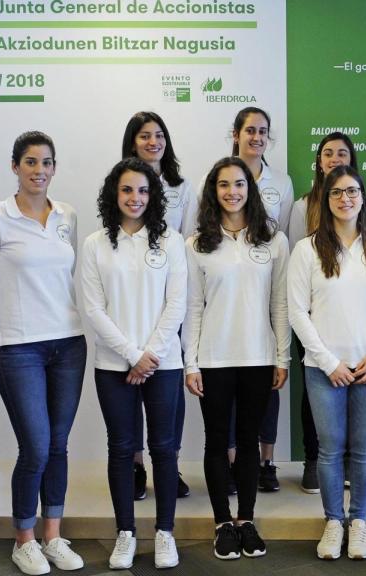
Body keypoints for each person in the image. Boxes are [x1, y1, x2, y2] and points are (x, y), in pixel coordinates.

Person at [0, 131, 87, 575]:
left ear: (54, 167)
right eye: (31, 162)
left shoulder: (67, 215)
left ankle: (52, 535)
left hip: (69, 344)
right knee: (35, 446)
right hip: (19, 350)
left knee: (58, 445)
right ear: (15, 166)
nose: (40, 170)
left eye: (47, 162)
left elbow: (69, 277)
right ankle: (24, 540)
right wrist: (3, 329)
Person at [288, 165, 366, 561]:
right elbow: (297, 312)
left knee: (364, 450)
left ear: (363, 198)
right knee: (329, 450)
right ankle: (333, 521)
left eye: (352, 191)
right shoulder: (306, 250)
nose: (345, 198)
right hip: (324, 369)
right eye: (336, 192)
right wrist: (328, 362)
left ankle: (359, 522)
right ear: (326, 199)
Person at [80, 158, 186, 569]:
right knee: (122, 449)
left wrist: (149, 355)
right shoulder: (95, 245)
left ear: (153, 195)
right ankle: (125, 532)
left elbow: (176, 304)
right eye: (127, 190)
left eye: (143, 190)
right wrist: (132, 355)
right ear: (114, 194)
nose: (135, 198)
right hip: (114, 365)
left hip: (163, 363)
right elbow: (93, 309)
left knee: (164, 448)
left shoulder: (171, 241)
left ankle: (164, 533)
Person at [182, 156, 290, 560]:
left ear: (251, 189)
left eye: (239, 184)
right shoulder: (196, 245)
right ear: (213, 191)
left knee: (248, 442)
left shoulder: (273, 240)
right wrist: (191, 363)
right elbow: (193, 308)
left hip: (258, 357)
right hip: (213, 358)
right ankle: (222, 524)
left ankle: (246, 520)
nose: (232, 191)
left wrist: (282, 358)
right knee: (216, 442)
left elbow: (279, 304)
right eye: (224, 184)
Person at [287, 131, 366, 494]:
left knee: (358, 396)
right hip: (314, 319)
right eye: (328, 153)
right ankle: (315, 460)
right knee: (316, 392)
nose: (335, 159)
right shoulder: (302, 207)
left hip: (357, 323)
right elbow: (295, 259)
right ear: (319, 162)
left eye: (342, 153)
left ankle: (350, 463)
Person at [121, 111, 194, 500]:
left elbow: (191, 238)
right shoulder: (122, 182)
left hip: (171, 298)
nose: (153, 142)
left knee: (169, 393)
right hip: (132, 303)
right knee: (130, 386)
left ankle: (170, 464)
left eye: (159, 135)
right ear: (132, 142)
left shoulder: (181, 187)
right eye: (145, 135)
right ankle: (135, 465)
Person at [226, 106, 294, 493]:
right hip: (228, 293)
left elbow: (284, 237)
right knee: (229, 384)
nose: (256, 137)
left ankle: (266, 461)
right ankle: (234, 459)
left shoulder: (280, 182)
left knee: (268, 381)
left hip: (267, 289)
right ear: (235, 134)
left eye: (263, 131)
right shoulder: (217, 176)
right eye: (250, 130)